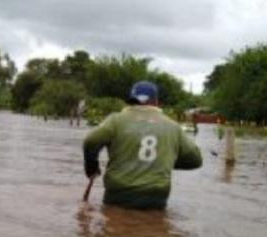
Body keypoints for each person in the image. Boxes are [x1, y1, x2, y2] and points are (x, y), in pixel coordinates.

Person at [82, 81, 201, 209]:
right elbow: (195, 160)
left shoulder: (116, 120)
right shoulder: (173, 126)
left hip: (119, 192)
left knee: (114, 223)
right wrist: (165, 160)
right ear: (156, 102)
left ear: (131, 100)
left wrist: (91, 166)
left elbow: (90, 141)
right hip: (157, 195)